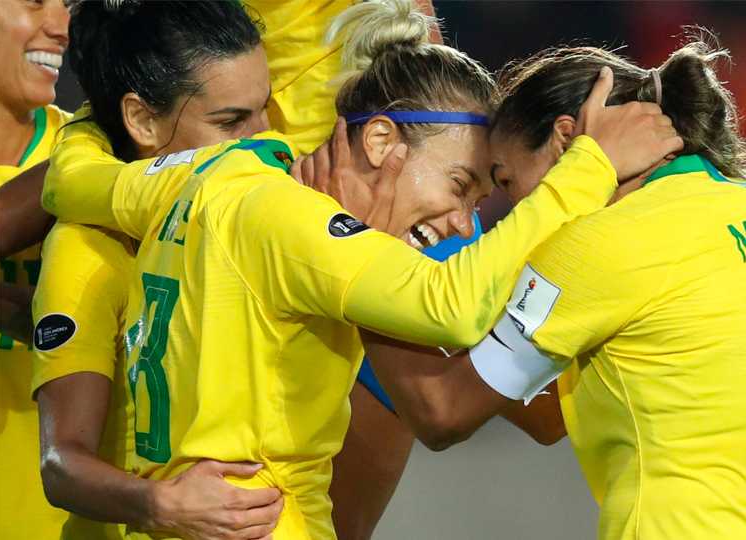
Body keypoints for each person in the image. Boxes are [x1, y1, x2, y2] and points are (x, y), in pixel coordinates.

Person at [39, 3, 682, 538]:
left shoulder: (205, 180)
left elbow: (69, 185)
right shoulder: (280, 215)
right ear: (377, 143)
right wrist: (586, 173)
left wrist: (81, 136)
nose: (463, 223)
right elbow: (450, 320)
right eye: (460, 186)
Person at [477, 41, 746, 538]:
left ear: (566, 142)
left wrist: (384, 259)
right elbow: (549, 413)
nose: (514, 208)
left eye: (507, 181)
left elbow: (443, 411)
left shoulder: (605, 240)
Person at [32, 2, 282, 538]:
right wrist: (157, 505)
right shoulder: (89, 247)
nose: (267, 142)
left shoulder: (269, 218)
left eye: (265, 111)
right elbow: (61, 465)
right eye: (232, 122)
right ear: (142, 119)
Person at [0, 0, 72, 536]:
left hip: (64, 518)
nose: (61, 27)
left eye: (69, 6)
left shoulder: (104, 157)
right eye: (34, 0)